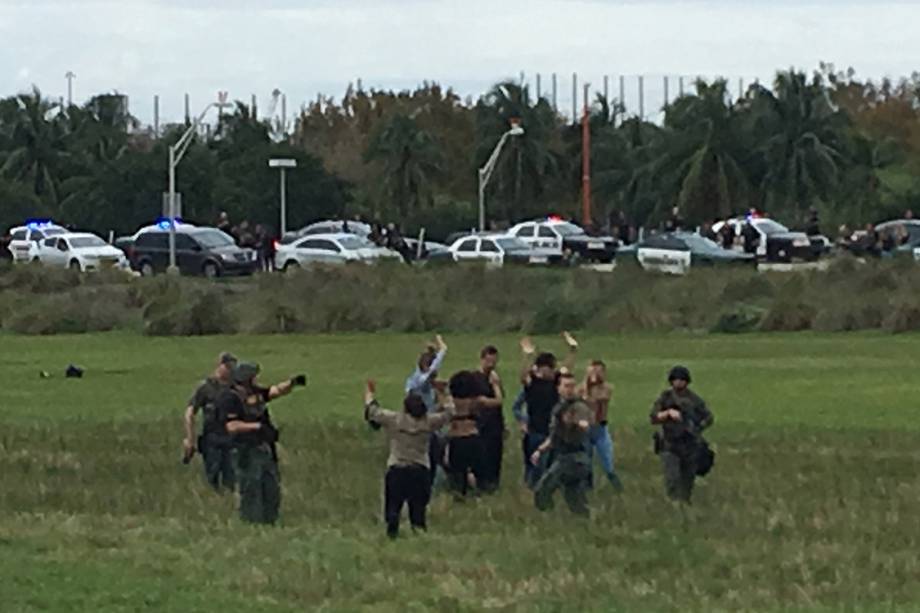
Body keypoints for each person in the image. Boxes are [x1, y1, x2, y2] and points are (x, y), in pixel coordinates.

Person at [215, 362, 306, 524]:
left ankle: (270, 521)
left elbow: (274, 391)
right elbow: (231, 426)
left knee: (271, 488)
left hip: (265, 449)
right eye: (253, 377)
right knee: (250, 489)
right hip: (245, 451)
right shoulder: (229, 398)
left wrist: (292, 383)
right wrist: (257, 427)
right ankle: (251, 522)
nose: (256, 380)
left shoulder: (255, 393)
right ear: (245, 379)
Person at [364, 381, 452, 538]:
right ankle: (419, 538)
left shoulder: (395, 420)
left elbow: (373, 412)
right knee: (418, 512)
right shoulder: (429, 422)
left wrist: (369, 394)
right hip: (420, 470)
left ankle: (392, 536)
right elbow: (449, 413)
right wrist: (443, 393)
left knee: (393, 510)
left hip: (397, 468)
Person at [517, 332, 579, 489]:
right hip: (535, 431)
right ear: (539, 368)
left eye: (551, 368)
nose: (550, 372)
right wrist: (527, 356)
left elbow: (567, 367)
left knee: (551, 465)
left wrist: (573, 349)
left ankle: (545, 489)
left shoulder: (556, 382)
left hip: (552, 431)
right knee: (533, 465)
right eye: (547, 369)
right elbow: (523, 376)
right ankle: (531, 488)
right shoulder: (533, 382)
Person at [530, 372, 594, 516]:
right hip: (566, 456)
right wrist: (540, 450)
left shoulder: (578, 407)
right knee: (573, 496)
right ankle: (584, 521)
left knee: (542, 490)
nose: (569, 389)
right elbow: (554, 436)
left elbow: (583, 421)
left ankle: (547, 518)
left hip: (573, 458)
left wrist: (581, 423)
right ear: (558, 388)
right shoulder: (559, 408)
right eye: (566, 386)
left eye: (572, 386)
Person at [650, 366, 714, 504]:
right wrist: (668, 413)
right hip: (670, 444)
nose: (678, 383)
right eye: (676, 380)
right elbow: (653, 417)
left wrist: (697, 428)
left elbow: (708, 418)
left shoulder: (694, 400)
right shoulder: (665, 398)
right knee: (672, 477)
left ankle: (684, 504)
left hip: (689, 445)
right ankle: (673, 504)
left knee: (687, 480)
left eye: (682, 380)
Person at [182, 352, 237, 491]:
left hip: (232, 439)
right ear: (219, 366)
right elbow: (190, 413)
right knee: (212, 475)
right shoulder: (205, 388)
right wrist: (190, 439)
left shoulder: (236, 389)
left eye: (232, 367)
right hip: (211, 438)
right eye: (227, 366)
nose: (230, 370)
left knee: (231, 477)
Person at [404, 335, 449, 485]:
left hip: (431, 426)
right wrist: (443, 349)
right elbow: (431, 372)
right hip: (420, 426)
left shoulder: (421, 384)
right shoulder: (418, 381)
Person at [578, 360, 624, 492]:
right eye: (592, 371)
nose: (595, 375)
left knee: (607, 461)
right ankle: (587, 488)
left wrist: (587, 391)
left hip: (600, 429)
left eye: (598, 371)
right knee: (586, 461)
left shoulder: (606, 388)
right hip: (585, 430)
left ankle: (618, 488)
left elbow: (598, 399)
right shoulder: (581, 389)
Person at [445, 370, 492, 497]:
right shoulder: (476, 401)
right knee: (479, 469)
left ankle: (461, 492)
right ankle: (478, 490)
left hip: (456, 439)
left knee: (457, 472)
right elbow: (497, 401)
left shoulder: (451, 402)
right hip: (473, 437)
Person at [470, 345, 504, 492]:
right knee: (481, 456)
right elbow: (490, 401)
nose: (491, 365)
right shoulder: (475, 378)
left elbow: (500, 400)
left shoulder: (495, 378)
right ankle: (480, 484)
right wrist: (495, 387)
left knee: (495, 455)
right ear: (482, 360)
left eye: (494, 362)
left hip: (495, 424)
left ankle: (493, 484)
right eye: (489, 361)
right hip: (480, 424)